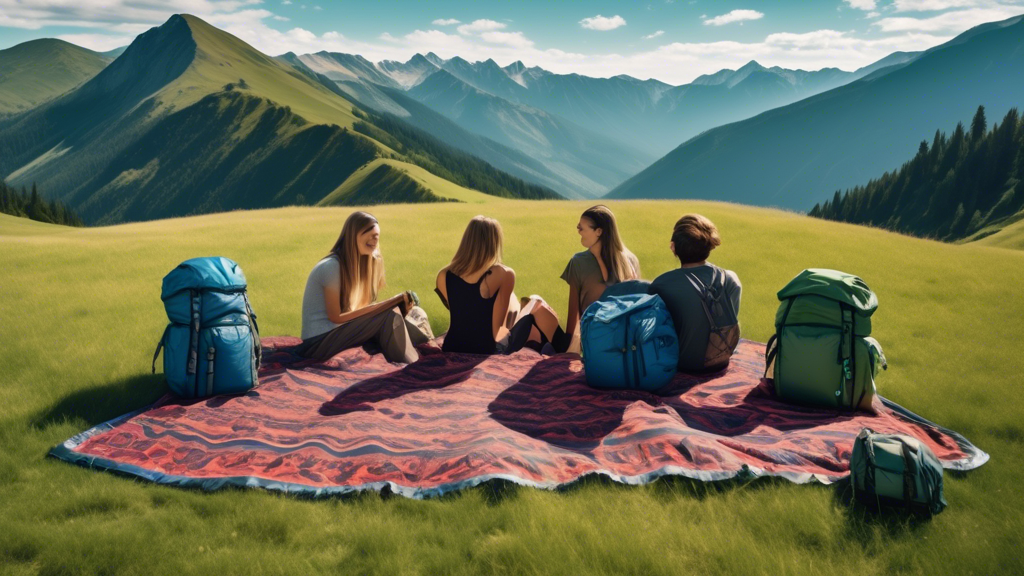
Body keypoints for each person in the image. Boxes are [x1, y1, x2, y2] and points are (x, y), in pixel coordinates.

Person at [296, 211, 431, 363]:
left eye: (377, 235)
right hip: (319, 343)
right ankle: (413, 365)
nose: (375, 239)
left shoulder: (360, 265)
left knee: (414, 312)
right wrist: (391, 302)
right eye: (370, 234)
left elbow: (361, 309)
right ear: (353, 234)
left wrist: (394, 303)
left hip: (339, 333)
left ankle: (426, 348)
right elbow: (336, 317)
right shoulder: (332, 267)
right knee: (389, 315)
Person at [436, 216, 565, 355]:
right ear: (494, 242)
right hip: (485, 349)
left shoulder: (443, 275)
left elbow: (464, 314)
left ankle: (546, 346)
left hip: (452, 346)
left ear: (466, 240)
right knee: (534, 309)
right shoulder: (504, 273)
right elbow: (496, 331)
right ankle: (559, 349)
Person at [649, 214, 741, 373]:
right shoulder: (731, 278)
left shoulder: (662, 284)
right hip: (721, 359)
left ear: (673, 247)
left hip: (684, 364)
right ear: (710, 246)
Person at [558, 205, 641, 353]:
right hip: (623, 342)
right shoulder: (631, 260)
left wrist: (569, 351)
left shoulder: (578, 262)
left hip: (590, 340)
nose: (578, 231)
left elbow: (574, 311)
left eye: (581, 228)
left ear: (599, 231)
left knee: (535, 305)